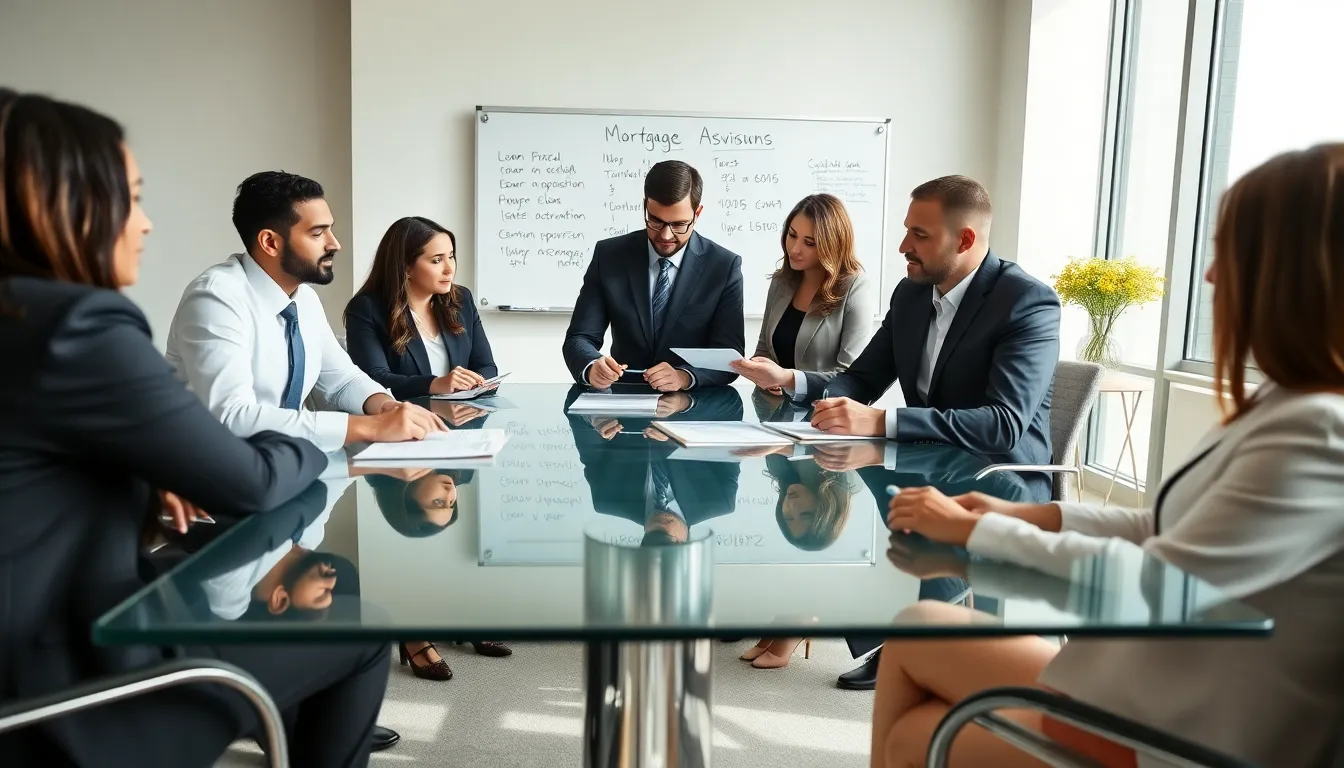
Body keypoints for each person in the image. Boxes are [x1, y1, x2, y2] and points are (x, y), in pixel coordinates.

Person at [870, 144, 1344, 768]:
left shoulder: (1318, 431)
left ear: (1291, 275)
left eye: (1228, 252)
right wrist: (1017, 518)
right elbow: (1158, 529)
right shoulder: (1286, 400)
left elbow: (1156, 585)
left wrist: (977, 528)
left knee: (919, 733)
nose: (1209, 277)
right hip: (1156, 680)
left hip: (1189, 720)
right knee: (918, 627)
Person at [0, 90, 388, 767]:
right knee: (365, 631)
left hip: (38, 649)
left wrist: (150, 475)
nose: (146, 224)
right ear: (56, 204)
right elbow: (251, 476)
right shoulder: (80, 327)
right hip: (66, 700)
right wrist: (337, 433)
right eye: (134, 196)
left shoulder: (22, 321)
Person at [800, 176, 1060, 690]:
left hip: (1004, 476)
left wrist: (881, 421)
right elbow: (865, 376)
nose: (902, 247)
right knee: (849, 480)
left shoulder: (1025, 302)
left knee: (890, 490)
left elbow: (1003, 424)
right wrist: (830, 403)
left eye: (919, 235)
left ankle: (923, 645)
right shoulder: (912, 293)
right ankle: (901, 637)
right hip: (931, 462)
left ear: (964, 240)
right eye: (905, 231)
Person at [165, 171, 445, 454]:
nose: (334, 243)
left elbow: (343, 380)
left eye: (330, 230)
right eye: (317, 233)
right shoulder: (216, 298)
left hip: (278, 464)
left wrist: (388, 407)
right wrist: (370, 427)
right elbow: (232, 417)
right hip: (207, 472)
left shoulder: (305, 300)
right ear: (270, 242)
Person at [562, 160, 745, 391]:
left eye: (679, 224)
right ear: (645, 206)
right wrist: (591, 366)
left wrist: (684, 377)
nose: (666, 235)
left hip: (695, 407)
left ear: (697, 213)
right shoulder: (610, 256)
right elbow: (579, 337)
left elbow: (730, 356)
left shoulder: (723, 266)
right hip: (623, 399)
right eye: (656, 221)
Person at [730, 194, 878, 397]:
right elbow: (764, 350)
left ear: (832, 245)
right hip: (771, 407)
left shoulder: (855, 288)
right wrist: (758, 369)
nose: (795, 249)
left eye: (810, 243)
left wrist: (787, 379)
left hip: (822, 413)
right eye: (792, 235)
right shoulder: (781, 281)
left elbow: (850, 376)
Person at [345, 216, 498, 399]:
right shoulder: (366, 309)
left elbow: (487, 367)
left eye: (450, 256)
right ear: (406, 267)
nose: (450, 269)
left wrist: (474, 382)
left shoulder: (462, 299)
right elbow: (374, 379)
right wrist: (435, 384)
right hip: (402, 420)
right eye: (436, 260)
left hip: (460, 418)